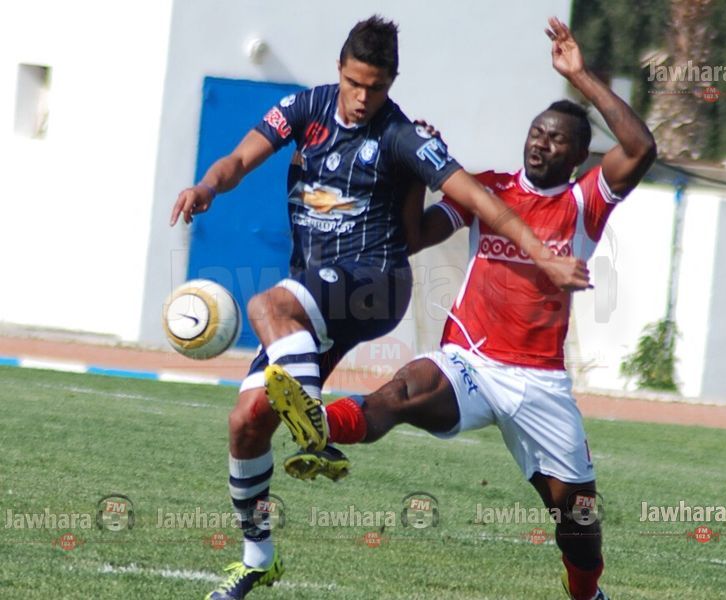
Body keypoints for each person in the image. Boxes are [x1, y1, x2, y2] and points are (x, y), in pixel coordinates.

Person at [170, 15, 590, 600]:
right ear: (339, 71)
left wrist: (544, 256)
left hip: (376, 282)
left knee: (267, 303)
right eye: (354, 83)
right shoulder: (304, 108)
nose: (363, 98)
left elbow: (479, 199)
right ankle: (258, 558)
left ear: (392, 82)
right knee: (246, 423)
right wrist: (206, 187)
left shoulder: (402, 135)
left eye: (376, 87)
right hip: (316, 299)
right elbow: (238, 160)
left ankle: (312, 422)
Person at [267, 17, 656, 600]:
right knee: (403, 389)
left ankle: (586, 591)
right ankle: (321, 425)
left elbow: (642, 147)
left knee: (577, 522)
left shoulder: (585, 201)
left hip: (538, 382)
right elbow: (414, 236)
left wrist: (579, 76)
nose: (540, 143)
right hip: (468, 360)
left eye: (556, 139)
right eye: (536, 132)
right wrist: (413, 173)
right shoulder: (491, 187)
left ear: (580, 157)